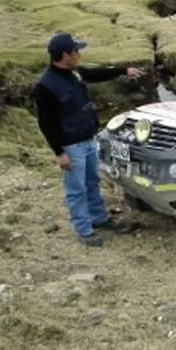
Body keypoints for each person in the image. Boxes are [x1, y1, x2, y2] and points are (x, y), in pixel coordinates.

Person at [34, 32, 145, 247]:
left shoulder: (75, 73)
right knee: (76, 189)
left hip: (88, 139)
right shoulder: (46, 85)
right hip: (71, 145)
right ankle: (84, 229)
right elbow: (45, 123)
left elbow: (95, 74)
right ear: (65, 55)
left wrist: (124, 70)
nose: (79, 54)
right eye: (76, 51)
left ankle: (99, 218)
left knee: (92, 182)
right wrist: (59, 152)